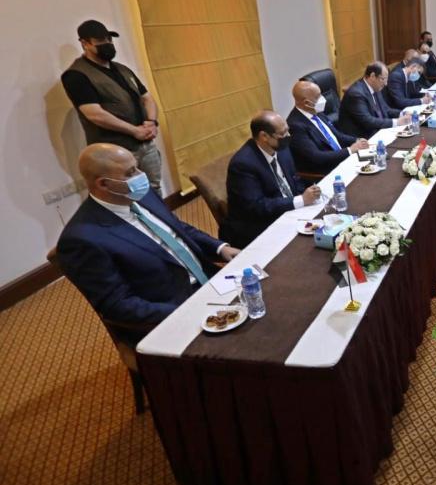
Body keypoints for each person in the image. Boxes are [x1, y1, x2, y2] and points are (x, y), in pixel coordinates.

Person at [57, 144, 239, 344]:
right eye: (130, 172)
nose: (140, 175)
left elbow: (177, 229)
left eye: (137, 167)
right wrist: (186, 312)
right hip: (173, 312)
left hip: (211, 280)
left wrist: (220, 248)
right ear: (104, 184)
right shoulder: (82, 239)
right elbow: (117, 305)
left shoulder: (141, 194)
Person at [61, 20, 163, 193]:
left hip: (146, 145)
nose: (107, 44)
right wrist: (134, 131)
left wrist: (151, 122)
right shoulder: (76, 75)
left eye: (109, 39)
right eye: (100, 41)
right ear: (85, 43)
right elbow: (94, 114)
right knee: (126, 195)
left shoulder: (123, 69)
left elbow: (147, 98)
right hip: (115, 152)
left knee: (154, 188)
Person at [221, 111, 322, 249]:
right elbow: (257, 206)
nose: (288, 136)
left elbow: (295, 179)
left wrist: (308, 193)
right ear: (264, 136)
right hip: (259, 226)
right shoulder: (243, 164)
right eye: (283, 133)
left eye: (288, 130)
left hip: (290, 212)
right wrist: (300, 200)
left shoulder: (281, 149)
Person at [287, 80, 367, 175]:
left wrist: (357, 140)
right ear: (307, 103)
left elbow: (337, 136)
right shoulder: (295, 125)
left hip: (343, 159)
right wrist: (350, 150)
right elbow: (317, 157)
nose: (323, 98)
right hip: (327, 171)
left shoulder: (315, 111)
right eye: (318, 96)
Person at [337, 62, 408, 139]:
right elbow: (368, 121)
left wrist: (402, 113)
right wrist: (396, 122)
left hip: (377, 132)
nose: (386, 84)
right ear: (372, 76)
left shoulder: (375, 87)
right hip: (362, 138)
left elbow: (386, 109)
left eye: (386, 79)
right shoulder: (356, 94)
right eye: (383, 79)